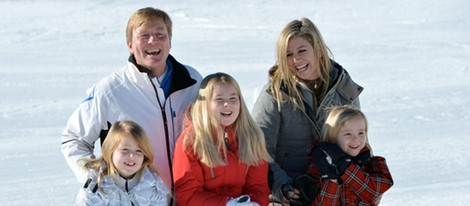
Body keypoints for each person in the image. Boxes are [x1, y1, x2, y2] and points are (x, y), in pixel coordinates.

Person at [61, 7, 202, 191]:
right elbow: (73, 138)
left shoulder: (192, 81)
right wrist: (95, 178)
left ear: (170, 42)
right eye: (144, 35)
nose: (153, 40)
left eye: (160, 34)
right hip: (137, 199)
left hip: (189, 196)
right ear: (130, 44)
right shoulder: (110, 91)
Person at [251, 17, 363, 205]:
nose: (296, 60)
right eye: (287, 55)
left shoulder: (344, 89)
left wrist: (361, 181)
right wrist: (282, 186)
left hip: (335, 189)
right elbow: (257, 151)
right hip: (290, 192)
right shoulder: (275, 94)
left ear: (318, 50)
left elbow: (358, 142)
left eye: (302, 51)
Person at [172, 72, 272, 206]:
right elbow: (188, 195)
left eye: (233, 98)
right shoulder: (190, 141)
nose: (227, 104)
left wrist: (255, 203)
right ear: (205, 104)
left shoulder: (252, 137)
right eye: (219, 99)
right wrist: (227, 204)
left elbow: (258, 188)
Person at [309, 106, 393, 205]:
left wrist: (346, 167)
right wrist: (332, 179)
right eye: (348, 134)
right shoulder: (318, 165)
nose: (356, 139)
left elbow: (373, 192)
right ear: (333, 136)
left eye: (361, 133)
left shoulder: (372, 163)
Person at [75, 120, 170, 205]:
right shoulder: (97, 187)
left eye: (139, 151)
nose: (132, 155)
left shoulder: (152, 186)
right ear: (110, 150)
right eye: (125, 150)